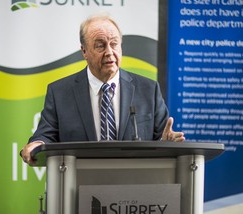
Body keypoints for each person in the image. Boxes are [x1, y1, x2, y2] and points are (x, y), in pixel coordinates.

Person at [20, 14, 185, 165]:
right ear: (84, 51)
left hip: (135, 186)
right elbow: (45, 135)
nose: (109, 52)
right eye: (100, 45)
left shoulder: (148, 90)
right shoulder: (60, 92)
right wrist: (37, 144)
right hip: (79, 185)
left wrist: (166, 143)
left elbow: (162, 137)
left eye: (114, 44)